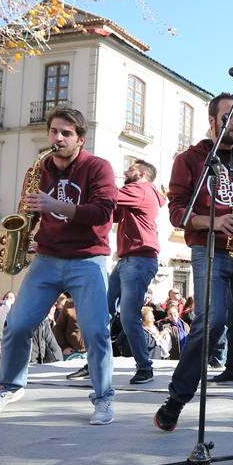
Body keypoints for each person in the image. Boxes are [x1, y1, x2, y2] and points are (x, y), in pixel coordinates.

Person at [0, 108, 119, 425]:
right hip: (47, 258)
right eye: (54, 131)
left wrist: (57, 205)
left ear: (81, 139)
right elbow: (30, 212)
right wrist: (24, 228)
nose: (58, 138)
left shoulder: (98, 167)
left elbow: (104, 210)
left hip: (88, 257)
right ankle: (8, 387)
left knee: (96, 332)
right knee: (18, 325)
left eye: (66, 133)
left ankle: (103, 397)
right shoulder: (38, 169)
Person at [154, 94, 233, 434]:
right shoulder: (190, 159)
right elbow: (177, 212)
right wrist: (213, 222)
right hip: (210, 249)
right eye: (230, 117)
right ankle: (176, 400)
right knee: (211, 322)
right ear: (213, 121)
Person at [70, 158, 165, 385]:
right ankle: (94, 362)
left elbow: (108, 196)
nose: (125, 170)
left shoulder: (140, 190)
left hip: (139, 259)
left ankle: (144, 367)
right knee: (104, 313)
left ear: (142, 173)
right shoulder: (137, 193)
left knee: (129, 316)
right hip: (128, 260)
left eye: (130, 168)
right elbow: (110, 212)